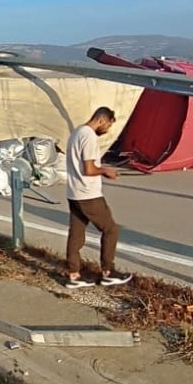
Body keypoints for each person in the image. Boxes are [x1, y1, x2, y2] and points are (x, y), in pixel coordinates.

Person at [64, 106, 132, 289]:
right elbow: (89, 169)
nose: (108, 130)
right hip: (89, 194)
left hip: (74, 192)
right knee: (110, 230)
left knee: (76, 234)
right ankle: (109, 272)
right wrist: (105, 171)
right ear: (101, 120)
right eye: (108, 125)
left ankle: (74, 275)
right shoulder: (89, 137)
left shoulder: (77, 132)